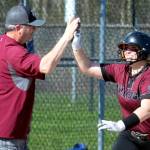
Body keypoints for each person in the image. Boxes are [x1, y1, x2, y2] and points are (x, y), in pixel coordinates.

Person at [0, 4, 80, 150]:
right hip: (8, 140)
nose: (34, 30)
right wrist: (66, 36)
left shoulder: (3, 43)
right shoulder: (14, 53)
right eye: (31, 26)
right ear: (18, 28)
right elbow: (46, 66)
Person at [72, 26, 150, 149]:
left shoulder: (148, 75)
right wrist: (76, 46)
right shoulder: (121, 70)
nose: (126, 51)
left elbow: (147, 109)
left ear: (144, 51)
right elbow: (87, 67)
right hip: (131, 135)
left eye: (132, 48)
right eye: (125, 48)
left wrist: (121, 124)